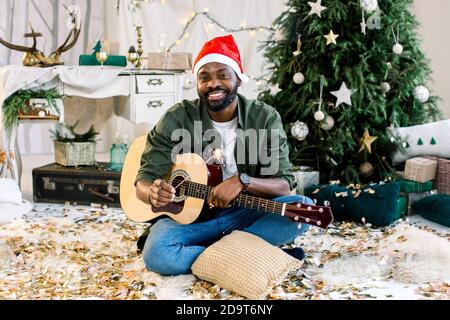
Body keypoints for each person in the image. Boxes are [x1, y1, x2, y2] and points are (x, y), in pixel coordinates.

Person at [135, 34, 313, 276]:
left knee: (302, 209)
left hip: (244, 213)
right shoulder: (177, 118)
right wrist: (152, 192)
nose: (213, 84)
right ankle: (253, 255)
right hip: (191, 220)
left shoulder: (264, 117)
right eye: (204, 77)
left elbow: (283, 186)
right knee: (157, 254)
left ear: (238, 79)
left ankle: (212, 255)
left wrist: (243, 181)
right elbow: (143, 181)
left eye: (222, 75)